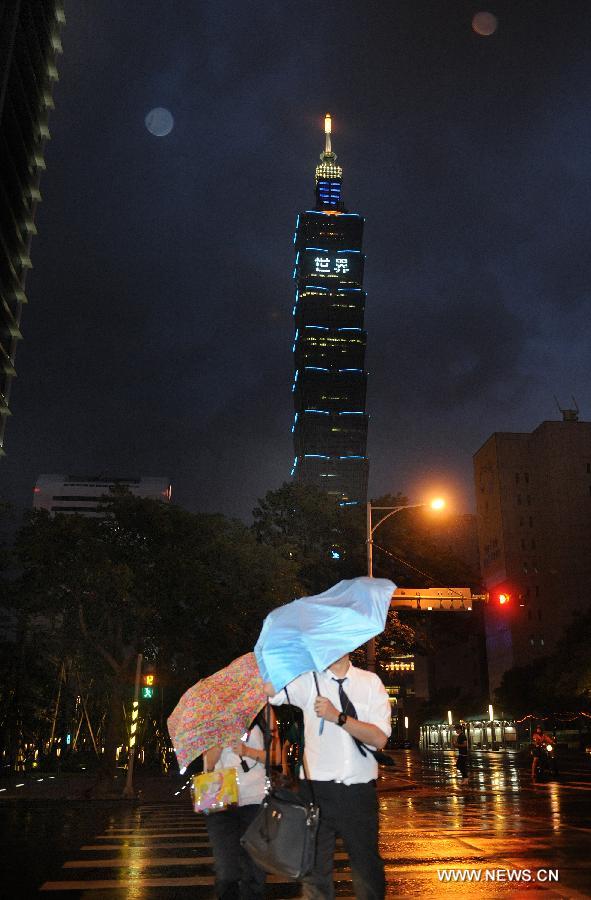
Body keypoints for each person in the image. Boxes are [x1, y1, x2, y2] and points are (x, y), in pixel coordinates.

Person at [270, 652, 391, 900]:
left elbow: (379, 739)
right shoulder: (308, 681)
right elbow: (272, 690)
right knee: (315, 875)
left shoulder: (370, 682)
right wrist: (277, 657)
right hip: (315, 792)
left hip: (358, 792)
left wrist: (338, 717)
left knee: (368, 871)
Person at [203, 710, 280, 899]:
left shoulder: (265, 713)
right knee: (226, 871)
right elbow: (208, 765)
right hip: (221, 800)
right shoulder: (215, 717)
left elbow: (276, 757)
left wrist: (247, 751)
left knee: (254, 872)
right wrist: (221, 740)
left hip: (256, 799)